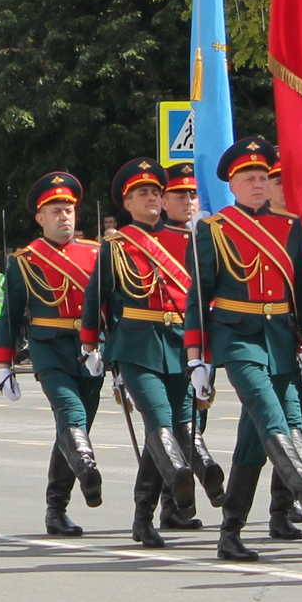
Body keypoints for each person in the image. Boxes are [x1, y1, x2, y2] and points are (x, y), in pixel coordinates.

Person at [188, 139, 302, 560]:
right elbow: (199, 295)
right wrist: (198, 356)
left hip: (282, 339)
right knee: (272, 413)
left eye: (263, 177)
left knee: (254, 441)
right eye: (249, 178)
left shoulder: (289, 227)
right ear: (232, 183)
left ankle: (230, 531)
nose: (258, 185)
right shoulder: (215, 230)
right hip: (238, 337)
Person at [100, 158, 215, 548]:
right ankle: (178, 482)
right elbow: (97, 302)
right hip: (136, 344)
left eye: (154, 192)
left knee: (180, 428)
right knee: (160, 420)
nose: (150, 197)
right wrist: (91, 346)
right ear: (127, 204)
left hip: (180, 344)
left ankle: (145, 515)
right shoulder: (116, 246)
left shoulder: (188, 241)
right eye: (141, 194)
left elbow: (201, 299)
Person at [0, 172, 106, 538]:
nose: (65, 217)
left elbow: (111, 308)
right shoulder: (24, 260)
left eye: (69, 209)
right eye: (56, 210)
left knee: (75, 430)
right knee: (70, 413)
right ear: (40, 218)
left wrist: (116, 354)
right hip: (49, 347)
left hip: (91, 349)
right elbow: (10, 315)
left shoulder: (96, 253)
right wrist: (4, 363)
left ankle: (56, 509)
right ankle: (88, 471)